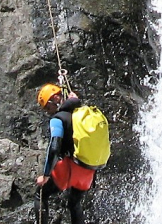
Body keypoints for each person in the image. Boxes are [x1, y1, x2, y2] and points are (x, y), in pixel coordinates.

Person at [37, 83, 94, 224]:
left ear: (56, 98)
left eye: (48, 107)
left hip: (71, 168)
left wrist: (46, 175)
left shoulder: (58, 119)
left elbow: (55, 146)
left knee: (40, 194)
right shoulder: (81, 113)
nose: (49, 112)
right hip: (88, 172)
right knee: (74, 203)